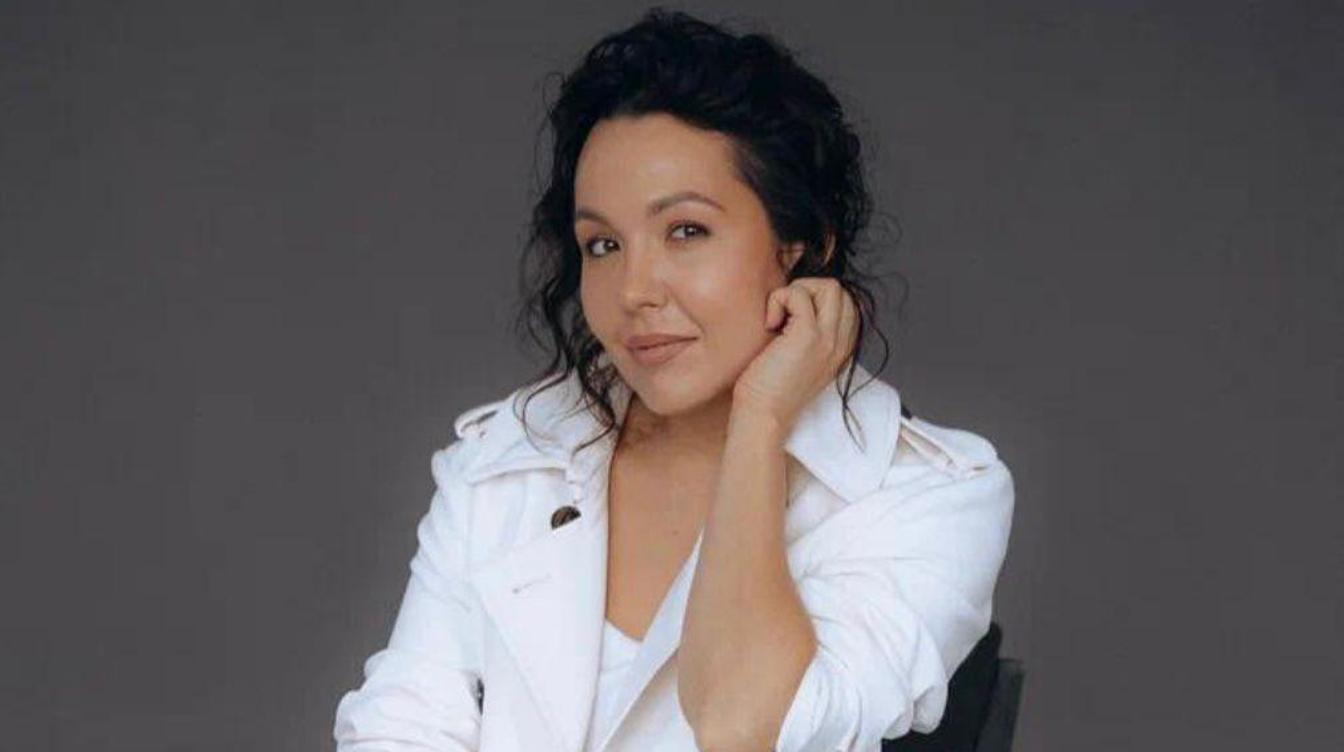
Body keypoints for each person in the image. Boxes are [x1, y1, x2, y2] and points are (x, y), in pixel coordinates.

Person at [333, 8, 1014, 751]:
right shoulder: (506, 458)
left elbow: (746, 728)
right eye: (602, 244)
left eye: (686, 231)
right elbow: (400, 727)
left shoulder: (926, 493)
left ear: (800, 246)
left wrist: (760, 422)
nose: (634, 290)